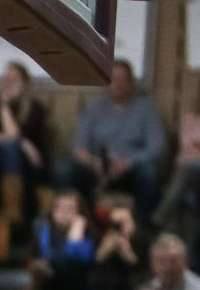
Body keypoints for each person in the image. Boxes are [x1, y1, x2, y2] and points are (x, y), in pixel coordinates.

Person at [55, 60, 166, 221]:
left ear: (131, 82)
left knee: (150, 173)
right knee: (63, 170)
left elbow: (156, 146)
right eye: (113, 79)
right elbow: (78, 146)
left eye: (122, 79)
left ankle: (142, 226)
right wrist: (94, 162)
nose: (118, 84)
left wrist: (128, 162)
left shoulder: (146, 109)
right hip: (97, 167)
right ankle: (75, 220)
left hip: (130, 168)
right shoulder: (94, 109)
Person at [0, 63, 48, 222]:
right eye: (6, 79)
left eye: (14, 80)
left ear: (25, 83)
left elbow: (14, 134)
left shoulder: (35, 108)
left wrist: (4, 106)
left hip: (29, 164)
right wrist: (23, 142)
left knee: (10, 147)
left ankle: (12, 207)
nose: (8, 84)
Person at [30, 191, 96, 290]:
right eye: (59, 208)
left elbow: (83, 258)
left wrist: (74, 237)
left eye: (70, 208)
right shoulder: (42, 229)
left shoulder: (87, 233)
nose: (64, 213)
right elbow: (40, 259)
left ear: (80, 212)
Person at [153, 80, 200, 250]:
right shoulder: (190, 117)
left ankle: (159, 217)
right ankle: (183, 259)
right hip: (187, 177)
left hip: (188, 170)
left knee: (189, 169)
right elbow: (187, 146)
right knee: (186, 196)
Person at [86, 204, 145, 290]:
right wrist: (104, 250)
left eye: (124, 222)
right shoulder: (101, 239)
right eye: (115, 223)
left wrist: (127, 252)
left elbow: (142, 269)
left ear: (133, 223)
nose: (119, 227)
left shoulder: (142, 240)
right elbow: (94, 264)